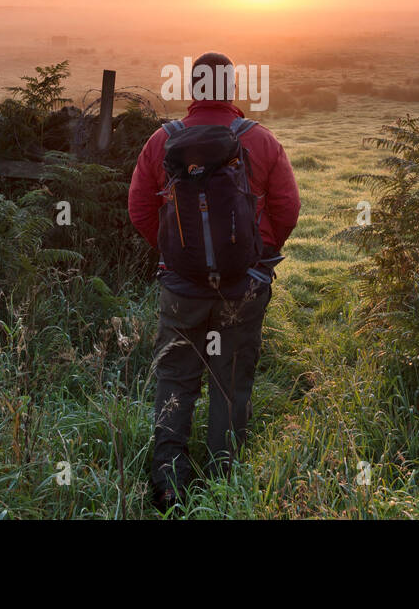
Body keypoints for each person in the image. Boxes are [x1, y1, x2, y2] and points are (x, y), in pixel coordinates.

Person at [128, 51, 300, 510]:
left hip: (181, 289)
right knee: (231, 382)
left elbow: (140, 209)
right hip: (242, 288)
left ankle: (168, 484)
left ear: (191, 90)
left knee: (175, 378)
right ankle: (226, 485)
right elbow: (287, 208)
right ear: (232, 89)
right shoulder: (259, 141)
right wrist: (255, 257)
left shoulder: (161, 141)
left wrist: (175, 256)